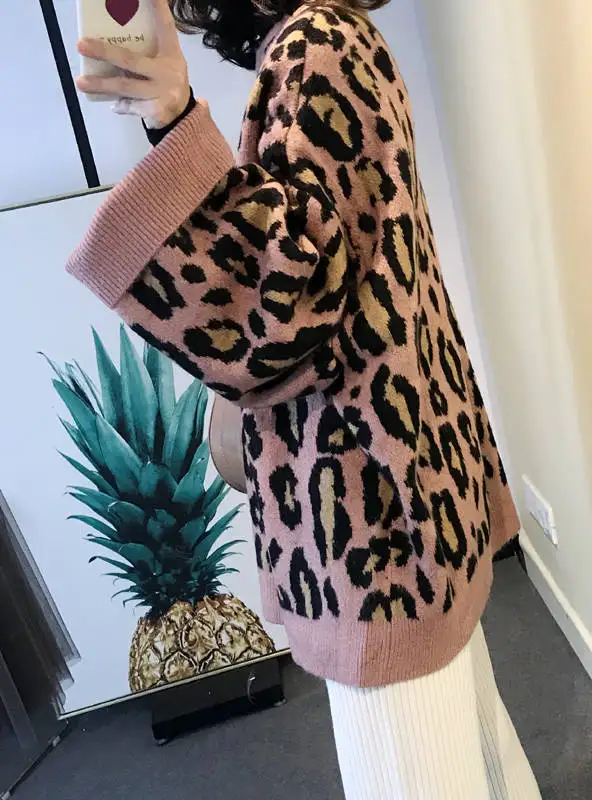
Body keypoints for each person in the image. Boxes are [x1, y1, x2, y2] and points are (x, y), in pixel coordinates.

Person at [68, 1, 542, 797]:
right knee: (475, 749)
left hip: (367, 515)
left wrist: (176, 123)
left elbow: (283, 307)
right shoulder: (332, 35)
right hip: (403, 483)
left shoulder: (313, 47)